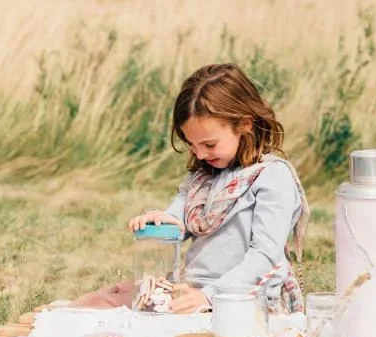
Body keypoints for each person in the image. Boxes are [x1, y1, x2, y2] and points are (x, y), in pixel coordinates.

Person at [74, 63, 310, 315]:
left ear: (245, 124)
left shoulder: (272, 177)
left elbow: (265, 258)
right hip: (192, 293)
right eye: (192, 145)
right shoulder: (203, 177)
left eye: (209, 144)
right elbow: (177, 219)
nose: (199, 153)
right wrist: (158, 218)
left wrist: (208, 297)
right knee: (103, 299)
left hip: (243, 300)